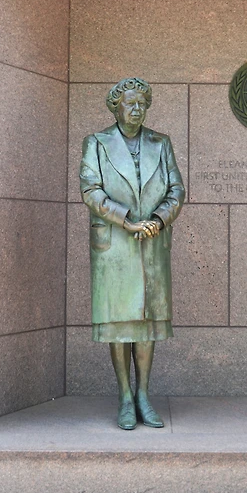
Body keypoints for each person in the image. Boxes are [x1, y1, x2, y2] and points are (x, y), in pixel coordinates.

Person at [79, 77, 185, 430]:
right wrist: (125, 220)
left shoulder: (161, 143)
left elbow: (176, 190)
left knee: (147, 322)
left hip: (152, 240)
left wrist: (159, 219)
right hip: (115, 242)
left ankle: (143, 394)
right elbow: (90, 190)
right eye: (130, 103)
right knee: (119, 321)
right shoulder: (97, 143)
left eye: (142, 103)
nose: (137, 109)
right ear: (116, 107)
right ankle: (125, 396)